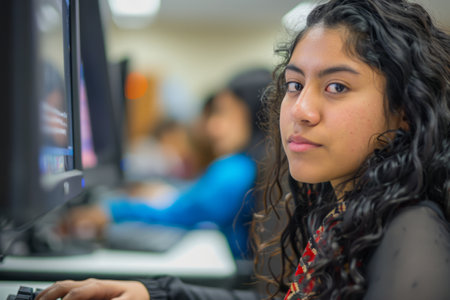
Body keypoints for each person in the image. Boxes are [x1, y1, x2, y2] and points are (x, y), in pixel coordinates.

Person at [36, 0, 450, 299]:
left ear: (404, 111)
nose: (301, 110)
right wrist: (156, 292)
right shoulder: (345, 207)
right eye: (294, 84)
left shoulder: (412, 233)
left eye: (336, 87)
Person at [64, 68, 272, 259]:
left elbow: (184, 212)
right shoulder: (255, 164)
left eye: (225, 113)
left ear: (256, 115)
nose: (212, 126)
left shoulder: (236, 169)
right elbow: (197, 200)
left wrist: (110, 211)